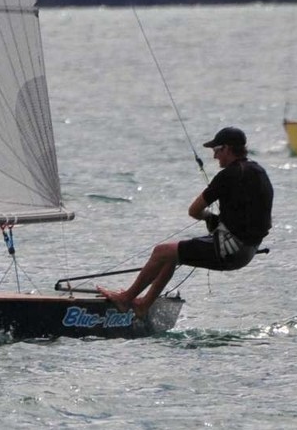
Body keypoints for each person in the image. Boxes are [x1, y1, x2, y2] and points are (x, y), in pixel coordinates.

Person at [97, 126, 273, 318]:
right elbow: (250, 213)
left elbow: (194, 210)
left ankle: (125, 299)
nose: (214, 157)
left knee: (161, 252)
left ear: (227, 149)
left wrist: (209, 218)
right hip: (249, 250)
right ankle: (143, 305)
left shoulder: (228, 176)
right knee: (171, 254)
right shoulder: (259, 171)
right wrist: (221, 222)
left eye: (216, 151)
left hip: (231, 250)